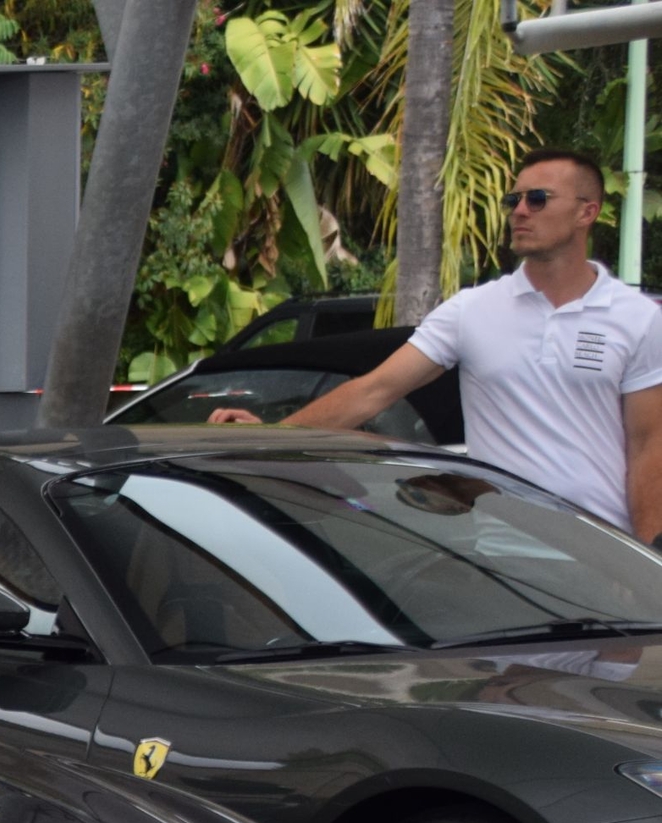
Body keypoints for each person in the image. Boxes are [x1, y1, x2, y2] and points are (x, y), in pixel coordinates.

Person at [208, 148, 662, 542]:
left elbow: (649, 447)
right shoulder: (471, 311)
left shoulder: (637, 318)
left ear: (587, 212)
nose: (520, 210)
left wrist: (645, 567)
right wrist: (268, 438)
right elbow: (373, 391)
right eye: (514, 199)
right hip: (507, 558)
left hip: (607, 558)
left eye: (538, 199)